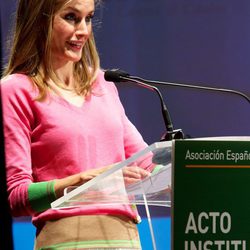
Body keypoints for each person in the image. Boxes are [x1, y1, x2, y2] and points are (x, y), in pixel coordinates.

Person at [1, 0, 155, 249]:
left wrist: (189, 162)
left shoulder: (103, 85)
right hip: (66, 240)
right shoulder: (16, 90)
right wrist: (81, 181)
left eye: (89, 18)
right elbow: (17, 197)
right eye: (71, 17)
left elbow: (145, 165)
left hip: (126, 239)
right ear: (40, 20)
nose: (83, 29)